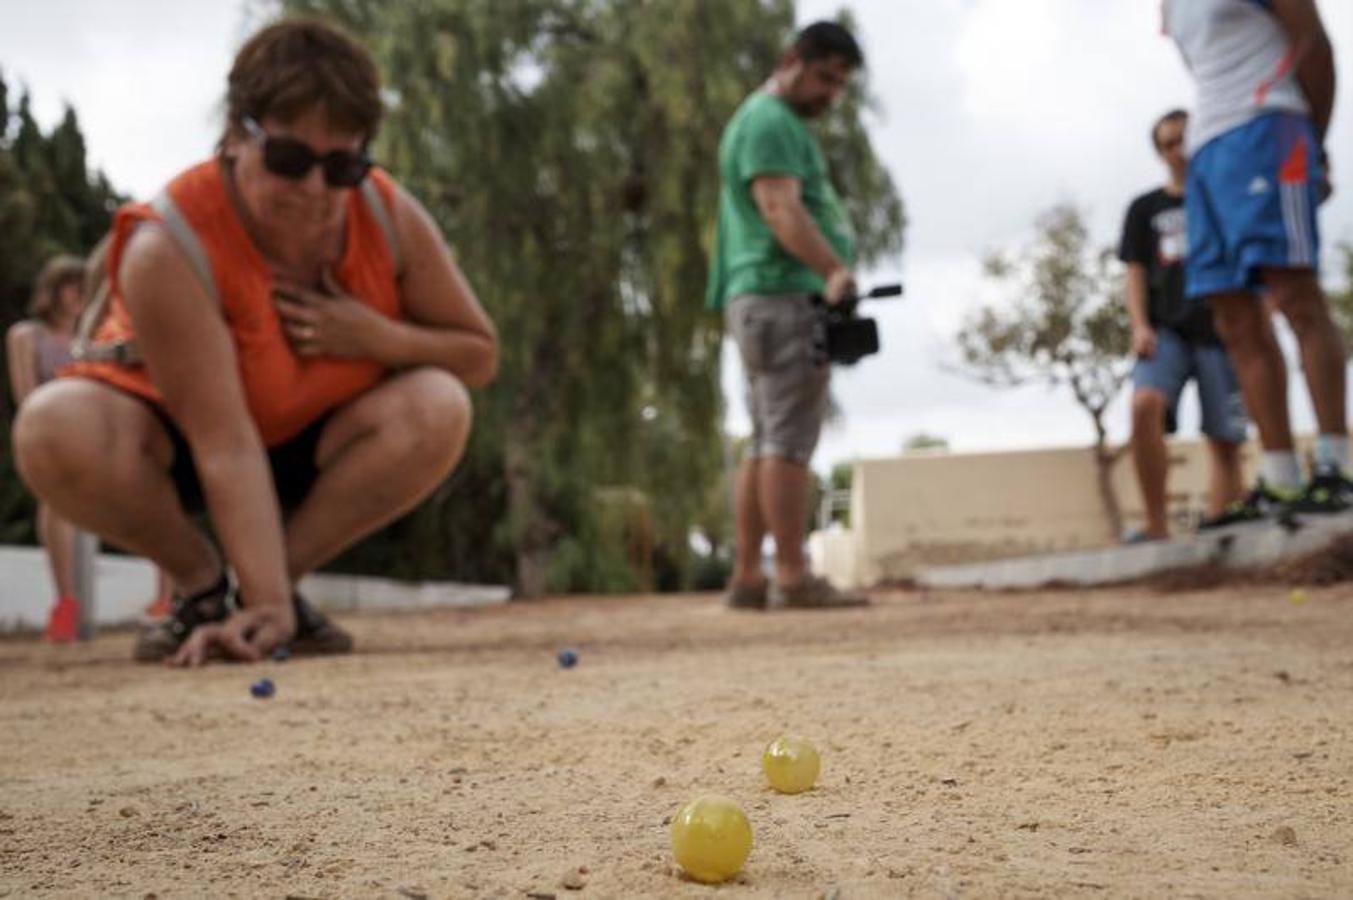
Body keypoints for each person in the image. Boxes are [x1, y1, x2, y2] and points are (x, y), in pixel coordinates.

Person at [13, 18, 498, 666]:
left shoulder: (385, 213)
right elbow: (224, 442)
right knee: (51, 427)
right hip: (184, 444)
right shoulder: (169, 246)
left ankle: (268, 588)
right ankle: (202, 589)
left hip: (313, 443)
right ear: (235, 136)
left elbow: (478, 354)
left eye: (343, 165)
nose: (317, 190)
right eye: (290, 160)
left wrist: (376, 335)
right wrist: (265, 606)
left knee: (438, 404)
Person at [1164, 0, 1350, 523]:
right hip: (1208, 150)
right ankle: (1281, 478)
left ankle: (1338, 466)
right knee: (1234, 318)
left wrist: (1313, 145)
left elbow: (1314, 46)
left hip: (1270, 125)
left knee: (1294, 295)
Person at [706, 21, 868, 610]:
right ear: (793, 60)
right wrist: (833, 271)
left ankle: (750, 579)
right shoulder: (771, 121)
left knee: (767, 438)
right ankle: (794, 578)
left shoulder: (761, 120)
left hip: (758, 298)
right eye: (825, 78)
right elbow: (780, 206)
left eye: (841, 84)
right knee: (789, 440)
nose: (831, 94)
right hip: (782, 295)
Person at [1119, 109, 1247, 540]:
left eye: (1184, 139)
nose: (1179, 150)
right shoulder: (1144, 209)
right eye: (1169, 143)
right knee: (1143, 405)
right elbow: (1135, 272)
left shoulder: (1226, 200)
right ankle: (1157, 526)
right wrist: (1139, 325)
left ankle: (1220, 529)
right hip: (1165, 331)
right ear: (1159, 152)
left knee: (1225, 439)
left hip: (1222, 330)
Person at [7, 256, 87, 641]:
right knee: (57, 504)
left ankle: (167, 603)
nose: (80, 295)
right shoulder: (27, 335)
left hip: (94, 438)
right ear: (53, 290)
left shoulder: (93, 338)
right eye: (72, 285)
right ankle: (66, 603)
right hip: (48, 435)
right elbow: (26, 395)